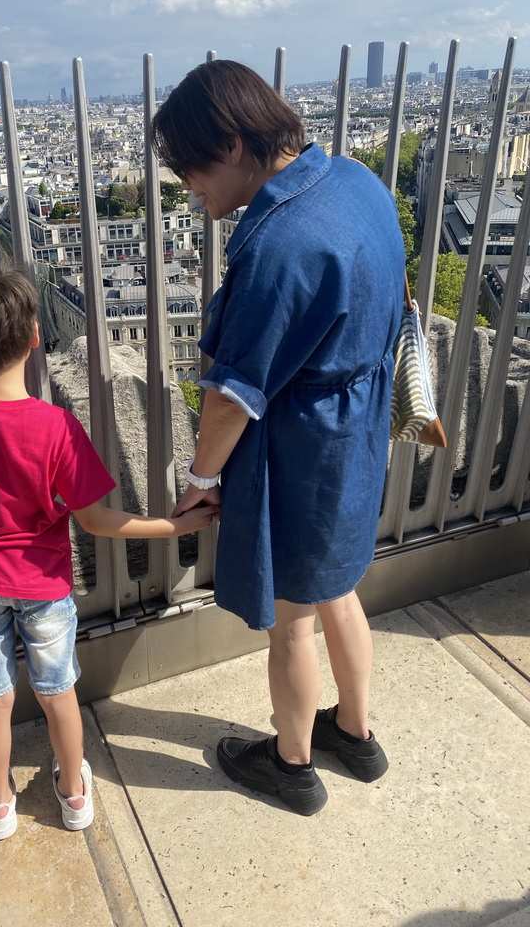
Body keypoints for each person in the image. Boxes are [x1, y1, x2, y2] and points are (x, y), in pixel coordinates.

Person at [151, 60, 405, 816]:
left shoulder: (279, 243)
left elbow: (233, 396)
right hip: (358, 421)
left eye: (190, 168)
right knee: (340, 587)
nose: (189, 188)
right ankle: (354, 733)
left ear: (230, 143)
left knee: (293, 617)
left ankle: (291, 764)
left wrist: (199, 480)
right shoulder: (356, 183)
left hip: (303, 442)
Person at [0, 264, 217, 840]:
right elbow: (98, 519)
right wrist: (176, 527)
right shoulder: (56, 427)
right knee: (59, 696)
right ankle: (73, 794)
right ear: (33, 337)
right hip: (44, 586)